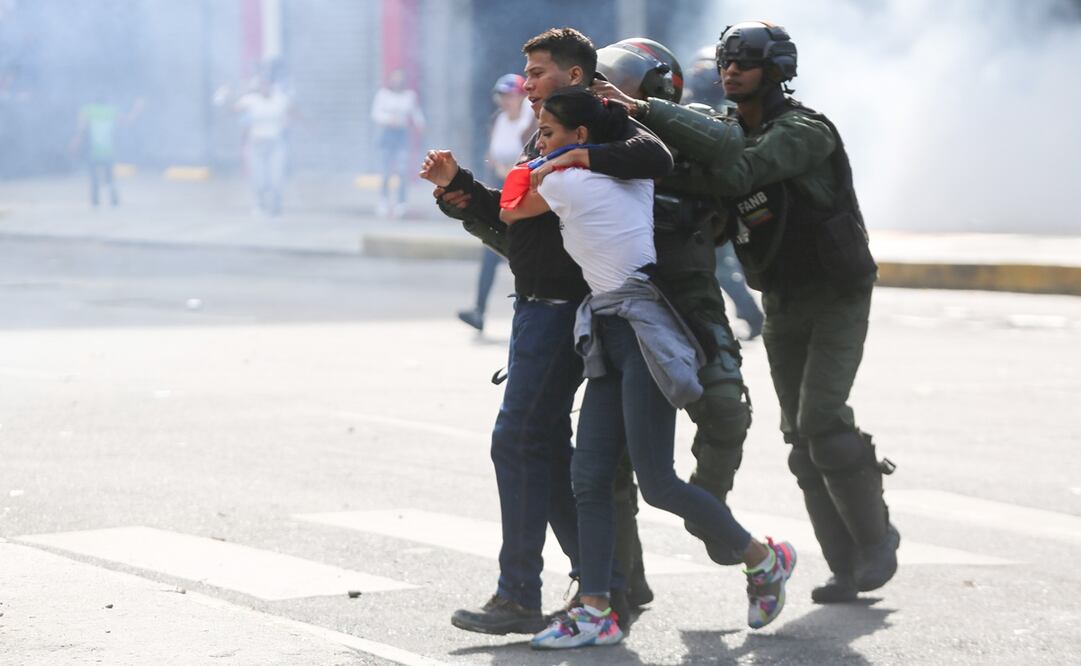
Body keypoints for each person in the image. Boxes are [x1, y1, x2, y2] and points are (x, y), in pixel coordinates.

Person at [612, 20, 900, 603]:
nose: (731, 70)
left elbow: (739, 170)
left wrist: (644, 112)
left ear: (776, 70)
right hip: (784, 296)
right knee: (800, 436)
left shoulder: (804, 130)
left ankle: (877, 543)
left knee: (823, 421)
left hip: (836, 291)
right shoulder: (721, 128)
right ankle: (845, 567)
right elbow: (698, 179)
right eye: (725, 61)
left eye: (745, 61)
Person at [507, 87, 795, 650]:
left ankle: (763, 558)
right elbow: (649, 152)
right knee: (588, 476)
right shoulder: (631, 172)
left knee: (657, 481)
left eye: (546, 132)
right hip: (610, 329)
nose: (537, 141)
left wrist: (555, 162)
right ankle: (596, 611)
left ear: (582, 137)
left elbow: (511, 208)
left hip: (639, 330)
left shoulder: (568, 182)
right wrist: (579, 146)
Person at [419, 28, 672, 636]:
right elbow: (514, 221)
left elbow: (656, 158)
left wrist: (577, 153)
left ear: (576, 77)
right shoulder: (544, 134)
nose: (527, 84)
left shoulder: (599, 123)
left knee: (519, 440)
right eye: (526, 73)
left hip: (563, 309)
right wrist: (457, 189)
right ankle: (603, 585)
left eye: (537, 72)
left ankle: (524, 594)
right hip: (534, 307)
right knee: (544, 448)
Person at [683, 45, 765, 339]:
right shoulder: (686, 111)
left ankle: (751, 319)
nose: (700, 75)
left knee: (720, 268)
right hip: (702, 206)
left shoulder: (729, 118)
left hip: (716, 206)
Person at [457, 74, 534, 332]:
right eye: (502, 96)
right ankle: (479, 310)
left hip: (525, 199)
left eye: (510, 96)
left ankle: (527, 312)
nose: (506, 101)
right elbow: (492, 155)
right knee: (490, 251)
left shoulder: (531, 122)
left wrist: (510, 171)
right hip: (502, 196)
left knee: (523, 255)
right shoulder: (499, 121)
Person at [235, 75, 292, 216]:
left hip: (275, 144)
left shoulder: (280, 99)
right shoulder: (251, 100)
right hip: (256, 144)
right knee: (258, 177)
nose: (264, 88)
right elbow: (234, 109)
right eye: (262, 85)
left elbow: (292, 112)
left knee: (276, 176)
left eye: (267, 84)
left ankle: (276, 205)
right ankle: (260, 204)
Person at [371, 69, 425, 218]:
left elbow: (416, 113)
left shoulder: (409, 96)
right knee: (386, 169)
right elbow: (376, 114)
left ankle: (401, 203)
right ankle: (384, 200)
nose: (397, 81)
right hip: (387, 134)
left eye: (400, 78)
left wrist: (421, 125)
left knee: (402, 170)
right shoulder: (383, 95)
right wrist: (389, 119)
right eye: (395, 78)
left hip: (402, 135)